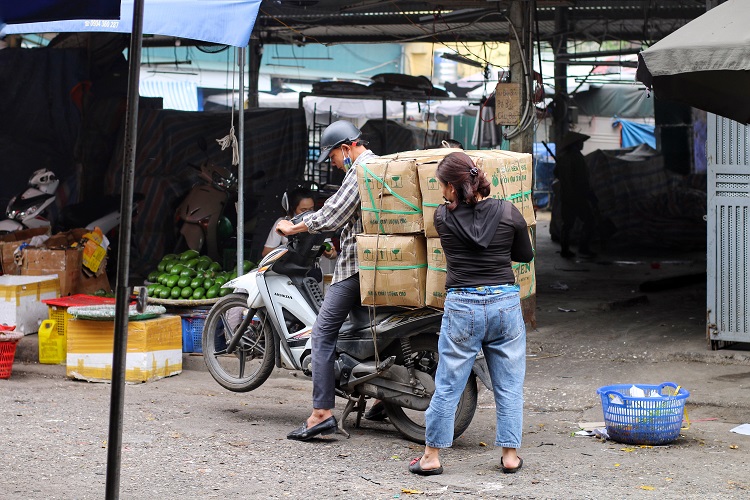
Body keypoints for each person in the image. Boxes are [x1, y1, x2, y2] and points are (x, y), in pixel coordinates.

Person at [408, 151, 534, 476]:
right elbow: (524, 254)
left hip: (463, 304)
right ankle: (509, 455)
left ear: (453, 186)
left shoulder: (442, 217)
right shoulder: (508, 212)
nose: (441, 193)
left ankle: (432, 456)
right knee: (508, 383)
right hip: (504, 304)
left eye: (442, 186)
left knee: (449, 381)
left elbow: (462, 227)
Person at [276, 120, 379, 441]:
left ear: (347, 148)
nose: (333, 163)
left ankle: (321, 413)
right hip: (379, 265)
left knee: (321, 336)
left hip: (356, 266)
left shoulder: (361, 169)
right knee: (366, 331)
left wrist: (294, 227)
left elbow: (333, 214)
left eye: (333, 156)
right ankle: (383, 399)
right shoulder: (379, 164)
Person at [554, 131, 596, 259]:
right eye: (581, 143)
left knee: (567, 224)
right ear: (576, 144)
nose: (582, 145)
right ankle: (583, 247)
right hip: (578, 196)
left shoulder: (563, 158)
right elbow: (582, 179)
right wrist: (589, 194)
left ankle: (565, 249)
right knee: (589, 221)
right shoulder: (577, 157)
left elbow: (556, 173)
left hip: (566, 196)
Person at [261, 187, 317, 257]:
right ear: (292, 208)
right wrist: (287, 251)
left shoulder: (318, 223)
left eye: (311, 209)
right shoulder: (283, 223)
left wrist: (330, 253)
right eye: (303, 210)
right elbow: (266, 253)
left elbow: (333, 254)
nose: (308, 213)